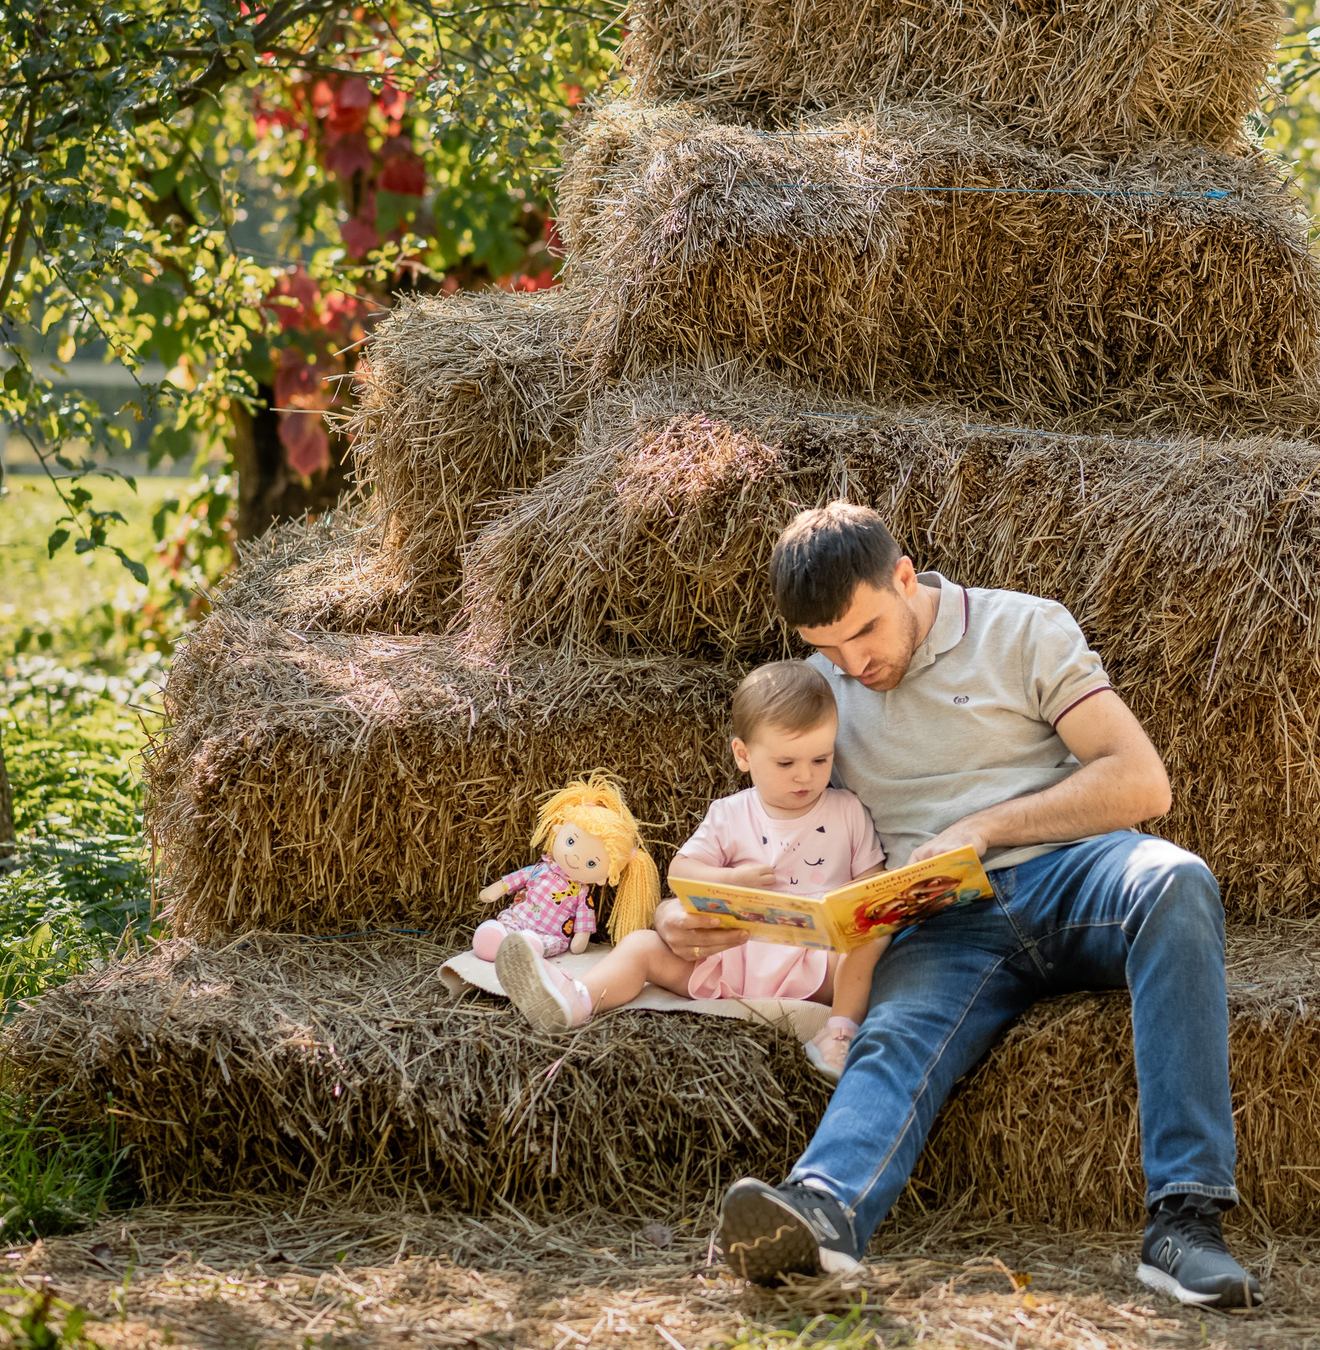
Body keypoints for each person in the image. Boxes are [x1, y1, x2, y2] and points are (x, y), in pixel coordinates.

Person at [674, 502, 1261, 1308]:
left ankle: (1184, 1223)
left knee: (1176, 879)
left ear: (904, 577)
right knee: (893, 1030)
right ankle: (822, 1212)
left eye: (866, 631)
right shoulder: (819, 691)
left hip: (1075, 873)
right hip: (940, 919)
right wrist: (686, 914)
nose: (854, 662)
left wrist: (986, 827)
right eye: (828, 646)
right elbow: (766, 820)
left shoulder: (1023, 628)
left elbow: (1141, 781)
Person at [496, 661, 887, 1076]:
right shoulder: (730, 814)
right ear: (744, 755)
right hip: (728, 956)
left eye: (821, 759)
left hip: (816, 966)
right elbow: (681, 872)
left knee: (871, 940)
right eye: (786, 763)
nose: (805, 776)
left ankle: (839, 1033)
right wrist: (730, 879)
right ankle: (577, 998)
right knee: (642, 946)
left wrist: (850, 905)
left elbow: (873, 881)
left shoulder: (847, 810)